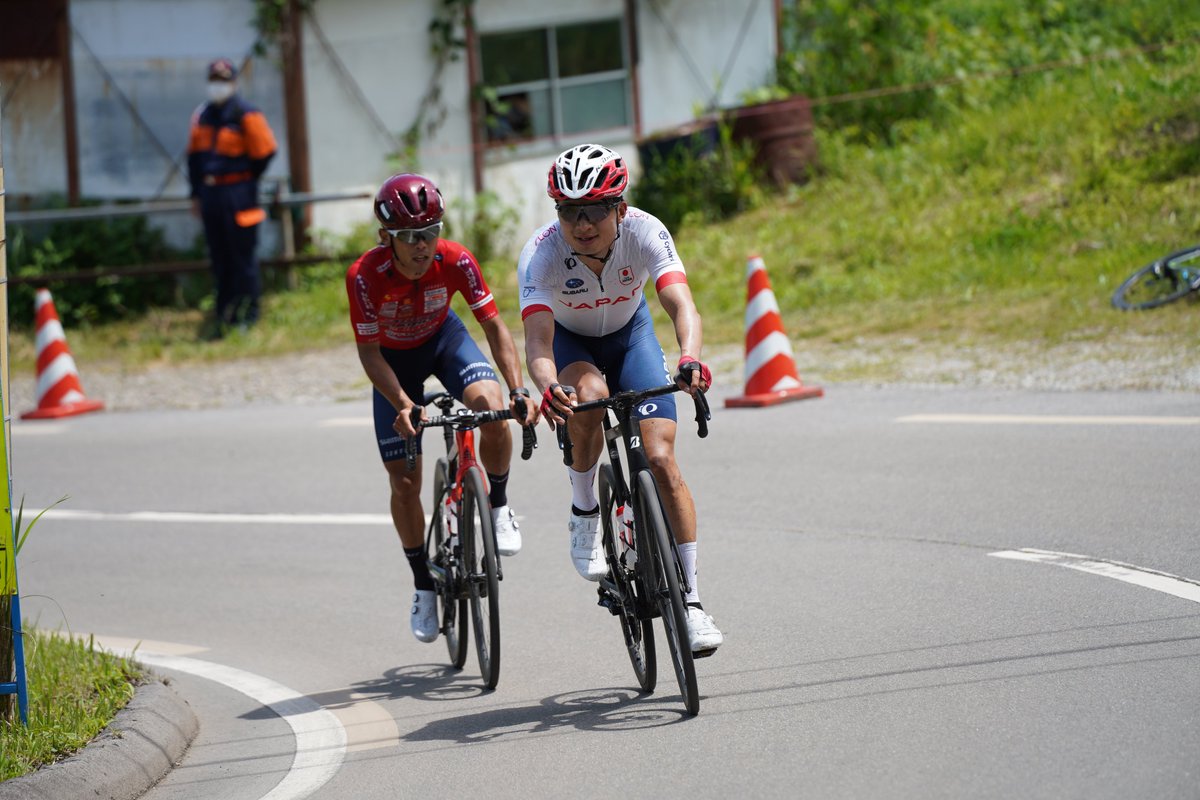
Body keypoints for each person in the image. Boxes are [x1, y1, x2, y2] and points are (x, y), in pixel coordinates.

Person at [517, 143, 724, 656]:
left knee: (660, 457)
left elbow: (680, 302)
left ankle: (693, 604)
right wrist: (549, 386)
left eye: (594, 210)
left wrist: (690, 358)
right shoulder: (540, 253)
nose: (582, 224)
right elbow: (539, 343)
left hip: (631, 336)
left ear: (620, 209)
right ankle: (585, 509)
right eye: (569, 211)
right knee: (589, 395)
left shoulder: (647, 231)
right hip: (573, 345)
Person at [347, 173, 538, 644]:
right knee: (404, 479)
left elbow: (493, 327)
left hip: (444, 341)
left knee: (490, 408)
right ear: (386, 238)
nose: (421, 245)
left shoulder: (456, 260)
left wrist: (516, 388)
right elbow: (370, 355)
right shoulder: (364, 277)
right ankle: (422, 583)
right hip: (393, 363)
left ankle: (497, 504)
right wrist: (404, 403)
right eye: (410, 237)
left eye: (430, 232)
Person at [187, 57, 277, 336]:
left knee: (243, 257)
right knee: (219, 256)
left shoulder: (246, 113)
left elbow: (265, 153)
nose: (218, 86)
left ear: (234, 83)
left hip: (239, 194)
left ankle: (249, 314)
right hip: (211, 194)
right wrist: (196, 194)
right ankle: (224, 313)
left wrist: (244, 178)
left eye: (224, 81)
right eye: (214, 80)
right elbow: (193, 159)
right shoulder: (202, 115)